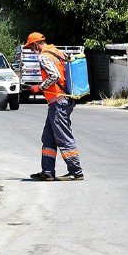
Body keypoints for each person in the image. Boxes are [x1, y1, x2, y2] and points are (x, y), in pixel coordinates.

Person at [25, 32, 84, 181]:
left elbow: (54, 76)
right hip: (60, 101)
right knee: (48, 137)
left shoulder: (44, 56)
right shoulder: (57, 52)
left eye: (31, 47)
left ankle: (76, 172)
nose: (32, 50)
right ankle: (48, 172)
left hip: (58, 101)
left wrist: (39, 87)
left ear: (35, 44)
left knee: (64, 137)